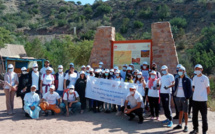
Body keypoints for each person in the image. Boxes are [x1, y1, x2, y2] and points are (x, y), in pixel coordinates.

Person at [190, 64, 210, 134]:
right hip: (195, 100)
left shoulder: (205, 78)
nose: (197, 70)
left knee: (204, 117)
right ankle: (195, 129)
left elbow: (208, 89)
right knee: (194, 116)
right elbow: (193, 87)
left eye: (199, 69)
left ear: (202, 69)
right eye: (196, 69)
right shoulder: (194, 78)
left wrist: (204, 96)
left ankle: (204, 131)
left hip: (203, 101)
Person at [173, 66, 192, 132]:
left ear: (184, 71)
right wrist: (174, 96)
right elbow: (175, 88)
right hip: (177, 98)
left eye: (181, 70)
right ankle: (179, 124)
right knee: (180, 112)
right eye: (179, 70)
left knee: (185, 113)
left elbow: (190, 90)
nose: (179, 71)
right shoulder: (177, 79)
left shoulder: (188, 80)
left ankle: (186, 126)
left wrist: (187, 97)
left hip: (184, 98)